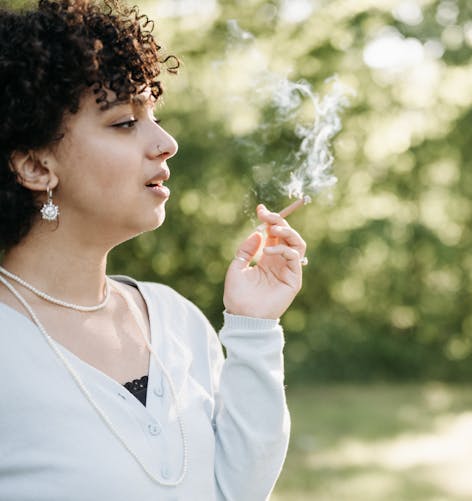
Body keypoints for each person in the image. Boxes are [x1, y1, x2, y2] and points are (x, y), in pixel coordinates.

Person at [0, 1, 307, 500]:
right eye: (124, 122)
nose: (166, 143)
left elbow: (238, 492)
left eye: (154, 115)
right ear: (35, 167)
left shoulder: (176, 320)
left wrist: (254, 327)